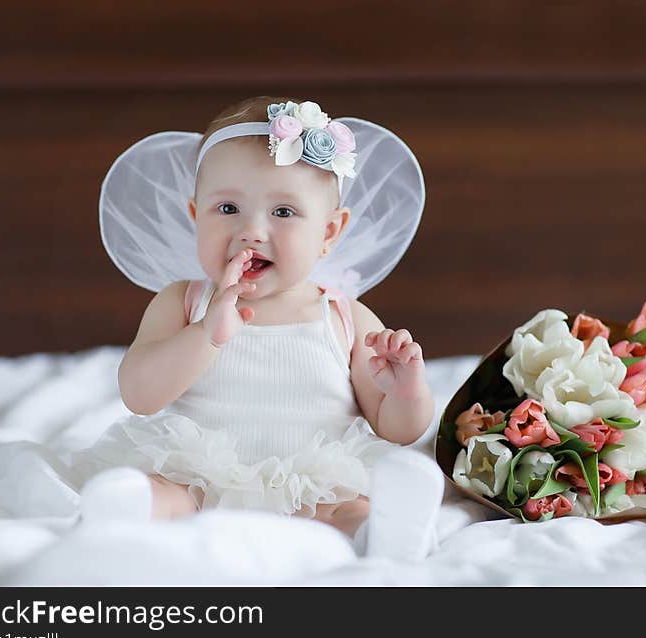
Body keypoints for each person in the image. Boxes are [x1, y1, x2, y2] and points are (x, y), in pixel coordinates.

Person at [75, 96, 444, 560]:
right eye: (227, 208)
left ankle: (387, 532)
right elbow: (139, 394)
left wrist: (407, 392)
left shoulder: (345, 316)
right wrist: (206, 333)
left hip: (311, 484)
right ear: (195, 217)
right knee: (161, 492)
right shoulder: (183, 302)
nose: (250, 230)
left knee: (348, 509)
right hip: (198, 477)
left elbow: (397, 429)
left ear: (329, 233)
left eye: (283, 213)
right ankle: (124, 514)